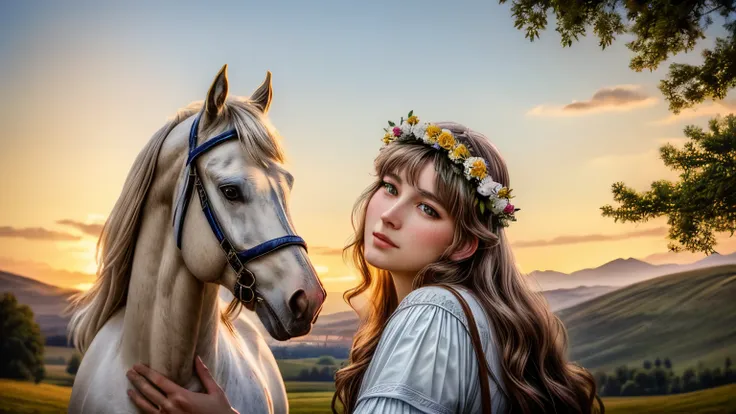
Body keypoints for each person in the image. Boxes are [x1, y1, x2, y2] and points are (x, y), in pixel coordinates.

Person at [126, 111, 604, 414]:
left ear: (462, 245)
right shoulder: (474, 316)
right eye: (391, 188)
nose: (390, 214)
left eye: (427, 208)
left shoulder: (431, 314)